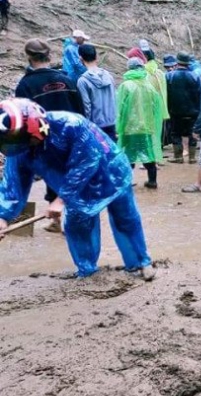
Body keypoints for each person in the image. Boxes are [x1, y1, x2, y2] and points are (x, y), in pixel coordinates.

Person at [0, 98, 155, 280]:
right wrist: (3, 216)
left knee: (125, 218)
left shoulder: (71, 125)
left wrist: (61, 199)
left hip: (110, 173)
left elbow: (86, 162)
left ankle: (140, 262)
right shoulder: (20, 149)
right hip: (73, 187)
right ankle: (87, 271)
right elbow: (13, 184)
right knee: (77, 226)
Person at [16, 38, 85, 234]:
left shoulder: (26, 85)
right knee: (72, 175)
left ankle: (58, 220)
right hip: (72, 139)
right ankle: (72, 221)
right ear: (49, 56)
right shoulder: (67, 80)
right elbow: (81, 113)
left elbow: (22, 119)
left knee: (52, 176)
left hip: (44, 142)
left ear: (28, 57)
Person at [117, 58, 163, 189]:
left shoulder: (125, 86)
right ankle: (152, 181)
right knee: (148, 153)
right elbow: (156, 107)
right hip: (146, 127)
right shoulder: (148, 86)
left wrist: (118, 125)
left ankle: (127, 181)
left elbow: (120, 108)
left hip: (129, 127)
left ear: (129, 68)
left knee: (128, 154)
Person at [166, 52, 201, 164]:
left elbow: (166, 93)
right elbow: (200, 93)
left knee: (175, 133)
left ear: (177, 62)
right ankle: (192, 157)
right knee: (192, 133)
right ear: (188, 63)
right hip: (193, 112)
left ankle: (178, 157)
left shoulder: (170, 76)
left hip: (175, 111)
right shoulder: (195, 76)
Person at [76, 44, 117, 141]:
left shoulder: (83, 81)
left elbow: (86, 107)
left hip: (95, 127)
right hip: (112, 123)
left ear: (81, 59)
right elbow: (114, 99)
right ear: (96, 57)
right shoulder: (109, 76)